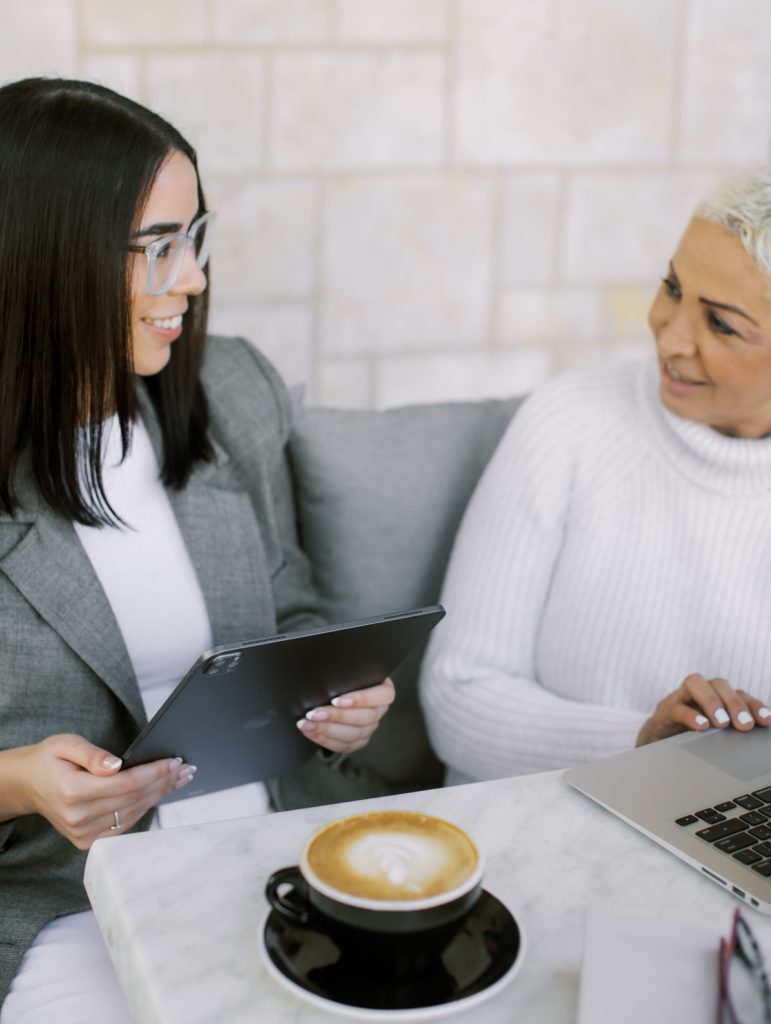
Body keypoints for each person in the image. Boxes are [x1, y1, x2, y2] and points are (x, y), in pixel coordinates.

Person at [0, 78, 394, 1020]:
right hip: (74, 908)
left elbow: (288, 611)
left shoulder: (232, 394)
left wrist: (336, 691)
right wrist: (15, 782)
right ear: (47, 258)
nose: (194, 280)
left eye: (195, 239)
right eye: (158, 250)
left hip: (281, 861)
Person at [421, 165, 771, 787]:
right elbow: (458, 696)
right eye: (672, 287)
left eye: (720, 324)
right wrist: (637, 746)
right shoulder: (569, 422)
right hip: (536, 839)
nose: (670, 336)